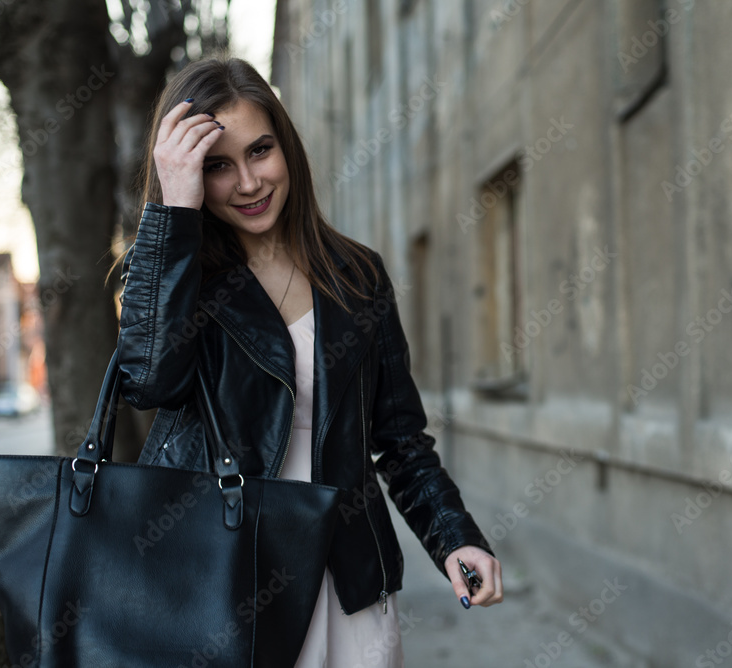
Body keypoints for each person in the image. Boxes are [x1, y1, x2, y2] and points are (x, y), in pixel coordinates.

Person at [114, 57, 503, 666]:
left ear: (286, 147)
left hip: (344, 577)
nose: (247, 182)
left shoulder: (357, 275)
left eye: (260, 150)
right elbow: (147, 380)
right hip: (225, 581)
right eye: (217, 166)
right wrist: (172, 215)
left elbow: (400, 439)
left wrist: (455, 538)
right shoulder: (176, 278)